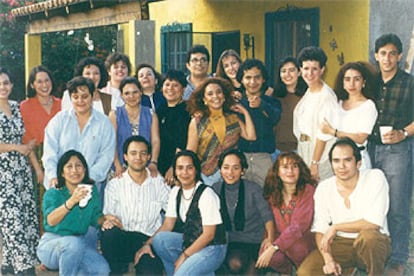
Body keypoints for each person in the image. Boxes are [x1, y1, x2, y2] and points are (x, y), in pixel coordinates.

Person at [297, 138, 391, 276]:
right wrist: (328, 259)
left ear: (358, 163)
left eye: (347, 160)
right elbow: (320, 229)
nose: (341, 166)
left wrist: (336, 227)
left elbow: (373, 223)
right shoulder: (324, 187)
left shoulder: (374, 177)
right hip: (340, 242)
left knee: (369, 238)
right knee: (305, 272)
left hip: (372, 239)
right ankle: (346, 269)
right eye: (336, 161)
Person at [134, 150, 227, 276]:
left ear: (196, 170)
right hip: (191, 241)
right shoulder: (176, 191)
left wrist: (185, 255)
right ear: (175, 171)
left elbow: (209, 235)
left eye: (189, 168)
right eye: (180, 168)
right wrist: (147, 244)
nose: (184, 172)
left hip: (213, 247)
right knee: (160, 240)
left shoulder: (206, 194)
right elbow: (167, 225)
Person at [368, 33, 414, 275]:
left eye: (392, 53)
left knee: (397, 205)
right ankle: (376, 253)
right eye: (383, 53)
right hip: (371, 149)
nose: (387, 58)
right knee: (374, 204)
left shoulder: (409, 82)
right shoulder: (370, 82)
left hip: (398, 150)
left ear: (399, 56)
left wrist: (404, 133)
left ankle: (398, 258)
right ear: (376, 56)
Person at [37, 150, 120, 276]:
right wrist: (71, 201)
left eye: (78, 166)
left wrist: (105, 220)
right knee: (73, 244)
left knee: (102, 270)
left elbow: (95, 217)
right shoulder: (53, 193)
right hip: (52, 245)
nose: (74, 170)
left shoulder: (90, 192)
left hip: (79, 244)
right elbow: (50, 221)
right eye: (69, 167)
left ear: (85, 170)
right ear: (62, 173)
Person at [101, 136, 169, 275]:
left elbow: (171, 217)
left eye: (143, 153)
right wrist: (108, 220)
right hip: (124, 238)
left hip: (148, 240)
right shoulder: (115, 184)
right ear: (125, 157)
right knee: (108, 233)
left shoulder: (159, 183)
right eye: (133, 153)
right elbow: (108, 214)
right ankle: (117, 269)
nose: (138, 157)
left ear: (149, 156)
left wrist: (149, 243)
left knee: (150, 273)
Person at [42, 76, 115, 196]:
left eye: (85, 96)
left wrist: (85, 179)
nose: (80, 101)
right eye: (75, 97)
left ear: (92, 96)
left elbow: (106, 156)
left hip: (90, 186)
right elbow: (50, 153)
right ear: (70, 98)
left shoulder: (104, 123)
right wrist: (54, 176)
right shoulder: (58, 121)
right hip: (60, 186)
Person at [0, 67, 39, 275]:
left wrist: (29, 145)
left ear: (12, 85)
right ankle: (24, 267)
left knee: (24, 215)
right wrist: (16, 147)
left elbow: (26, 135)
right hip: (2, 174)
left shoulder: (17, 107)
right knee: (11, 218)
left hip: (21, 171)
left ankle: (8, 265)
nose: (2, 87)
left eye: (6, 83)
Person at [213, 149, 275, 275]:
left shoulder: (253, 189)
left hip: (254, 241)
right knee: (235, 263)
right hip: (230, 242)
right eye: (226, 167)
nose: (230, 172)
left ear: (243, 171)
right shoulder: (215, 189)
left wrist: (270, 240)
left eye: (235, 168)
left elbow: (268, 218)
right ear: (220, 170)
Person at [186, 77, 256, 185]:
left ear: (224, 96)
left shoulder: (233, 118)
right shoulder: (197, 121)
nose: (215, 96)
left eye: (219, 92)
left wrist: (245, 112)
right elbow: (191, 152)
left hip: (230, 174)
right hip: (206, 176)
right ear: (204, 99)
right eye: (210, 94)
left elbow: (251, 136)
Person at [256, 152, 316, 274]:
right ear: (277, 171)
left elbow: (298, 226)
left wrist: (275, 246)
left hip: (304, 238)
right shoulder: (273, 193)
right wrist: (268, 239)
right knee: (267, 253)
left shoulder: (308, 190)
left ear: (300, 169)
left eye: (294, 166)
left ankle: (303, 271)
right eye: (285, 167)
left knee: (297, 248)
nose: (290, 171)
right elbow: (268, 220)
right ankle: (286, 271)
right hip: (280, 237)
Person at [20, 65, 61, 233]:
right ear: (32, 85)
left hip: (61, 157)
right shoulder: (25, 106)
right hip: (37, 157)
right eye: (39, 82)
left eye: (47, 80)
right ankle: (44, 245)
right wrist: (38, 170)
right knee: (43, 203)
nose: (44, 85)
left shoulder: (62, 103)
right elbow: (28, 141)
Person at [320, 61, 377, 170]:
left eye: (357, 79)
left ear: (364, 82)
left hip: (357, 160)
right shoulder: (338, 103)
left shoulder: (368, 106)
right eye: (347, 79)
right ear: (342, 83)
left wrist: (333, 132)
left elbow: (360, 138)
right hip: (338, 159)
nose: (351, 84)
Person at [293, 46, 338, 181]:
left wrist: (315, 163)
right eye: (306, 68)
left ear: (322, 70)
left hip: (320, 158)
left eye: (315, 69)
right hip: (304, 152)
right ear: (300, 70)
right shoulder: (309, 91)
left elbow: (323, 135)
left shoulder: (326, 96)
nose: (310, 73)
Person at [236, 59, 282, 186]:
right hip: (241, 157)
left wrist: (261, 105)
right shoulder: (236, 104)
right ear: (241, 80)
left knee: (266, 195)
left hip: (264, 157)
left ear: (263, 79)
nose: (252, 82)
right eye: (248, 77)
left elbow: (275, 118)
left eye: (257, 77)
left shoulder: (271, 102)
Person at [109, 77, 160, 178]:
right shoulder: (114, 115)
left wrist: (153, 162)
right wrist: (117, 165)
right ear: (122, 95)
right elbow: (111, 142)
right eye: (127, 93)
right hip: (120, 168)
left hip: (145, 166)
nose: (131, 96)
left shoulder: (151, 114)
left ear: (141, 92)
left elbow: (155, 140)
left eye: (135, 92)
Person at [156, 69, 191, 184]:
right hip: (159, 164)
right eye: (167, 84)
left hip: (177, 165)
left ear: (184, 89)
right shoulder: (160, 109)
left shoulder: (187, 110)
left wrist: (173, 167)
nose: (170, 88)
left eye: (175, 85)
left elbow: (182, 142)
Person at [273, 57, 307, 154]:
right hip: (277, 149)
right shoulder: (275, 96)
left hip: (300, 149)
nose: (287, 74)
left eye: (291, 70)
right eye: (283, 71)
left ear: (299, 72)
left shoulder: (307, 96)